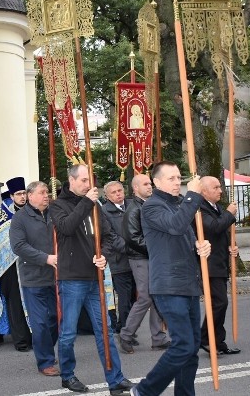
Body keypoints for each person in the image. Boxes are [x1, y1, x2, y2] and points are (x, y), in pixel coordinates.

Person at [49, 164, 133, 396]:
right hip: (72, 278)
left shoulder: (95, 206)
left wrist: (102, 255)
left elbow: (107, 236)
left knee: (104, 329)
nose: (89, 184)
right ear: (72, 180)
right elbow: (66, 228)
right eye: (84, 180)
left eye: (90, 180)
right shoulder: (58, 205)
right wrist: (87, 202)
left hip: (94, 277)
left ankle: (115, 379)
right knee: (67, 332)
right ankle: (67, 375)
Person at [131, 161, 211, 396]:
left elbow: (180, 239)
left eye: (179, 178)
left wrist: (200, 246)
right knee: (183, 345)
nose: (178, 182)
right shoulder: (152, 207)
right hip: (168, 285)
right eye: (172, 179)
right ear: (156, 182)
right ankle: (145, 391)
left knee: (191, 348)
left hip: (187, 283)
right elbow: (175, 226)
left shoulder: (178, 205)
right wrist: (193, 195)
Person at [10, 180, 60, 377]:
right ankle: (45, 361)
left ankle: (46, 348)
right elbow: (19, 246)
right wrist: (45, 258)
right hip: (33, 278)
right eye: (42, 192)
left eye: (47, 192)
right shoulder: (20, 218)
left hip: (55, 276)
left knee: (55, 319)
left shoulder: (54, 213)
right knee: (39, 322)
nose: (46, 195)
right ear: (30, 196)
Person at [118, 174, 170, 354]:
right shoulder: (133, 209)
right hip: (140, 258)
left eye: (150, 183)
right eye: (145, 184)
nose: (150, 186)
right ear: (135, 188)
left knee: (157, 295)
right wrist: (155, 248)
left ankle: (158, 338)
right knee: (146, 297)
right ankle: (126, 334)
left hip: (152, 256)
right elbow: (132, 238)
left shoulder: (149, 205)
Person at [198, 176, 241, 355]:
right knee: (219, 303)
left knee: (219, 304)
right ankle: (207, 339)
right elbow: (214, 227)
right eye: (215, 187)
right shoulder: (200, 208)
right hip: (208, 263)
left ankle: (216, 341)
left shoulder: (216, 207)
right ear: (204, 191)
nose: (220, 190)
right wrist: (230, 214)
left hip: (220, 261)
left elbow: (223, 232)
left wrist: (233, 248)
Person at [0, 176, 32, 352]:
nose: (22, 197)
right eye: (18, 194)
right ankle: (21, 340)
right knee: (15, 305)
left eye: (24, 193)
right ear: (11, 196)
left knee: (33, 302)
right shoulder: (2, 216)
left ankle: (37, 337)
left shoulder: (33, 211)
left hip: (32, 266)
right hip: (10, 268)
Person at [99, 180, 135, 338]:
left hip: (137, 258)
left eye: (120, 190)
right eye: (113, 192)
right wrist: (130, 248)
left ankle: (125, 325)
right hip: (118, 260)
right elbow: (110, 236)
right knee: (124, 297)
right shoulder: (104, 212)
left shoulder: (133, 205)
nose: (118, 194)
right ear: (106, 196)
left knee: (136, 296)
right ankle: (126, 330)